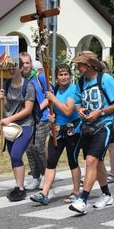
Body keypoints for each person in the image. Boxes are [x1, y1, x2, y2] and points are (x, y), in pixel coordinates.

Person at [68, 51, 114, 215]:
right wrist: (80, 109)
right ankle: (106, 194)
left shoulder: (105, 79)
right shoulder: (80, 82)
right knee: (97, 162)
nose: (78, 68)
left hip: (104, 125)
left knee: (91, 161)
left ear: (90, 65)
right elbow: (77, 102)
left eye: (80, 65)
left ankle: (82, 200)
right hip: (87, 127)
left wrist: (101, 112)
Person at [30, 64, 81, 205]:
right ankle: (44, 194)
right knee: (51, 162)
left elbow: (68, 111)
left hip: (73, 131)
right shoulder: (56, 89)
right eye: (61, 75)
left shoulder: (74, 89)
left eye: (66, 74)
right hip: (56, 131)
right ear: (56, 77)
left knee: (73, 161)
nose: (63, 77)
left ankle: (76, 192)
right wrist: (52, 117)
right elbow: (55, 111)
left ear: (70, 76)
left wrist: (53, 99)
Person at [0, 56, 36, 201]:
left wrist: (9, 119)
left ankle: (21, 189)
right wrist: (3, 99)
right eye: (9, 67)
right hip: (10, 128)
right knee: (13, 158)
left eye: (14, 67)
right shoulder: (6, 84)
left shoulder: (29, 86)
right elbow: (7, 108)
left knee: (16, 154)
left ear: (21, 68)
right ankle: (18, 186)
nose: (11, 70)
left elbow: (28, 110)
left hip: (25, 125)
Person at [20, 55, 49, 191]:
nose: (25, 65)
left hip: (42, 117)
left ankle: (46, 175)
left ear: (31, 64)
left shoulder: (39, 77)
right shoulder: (20, 80)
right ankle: (35, 177)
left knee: (38, 147)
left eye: (27, 62)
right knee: (29, 148)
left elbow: (50, 95)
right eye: (22, 63)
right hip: (28, 120)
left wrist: (39, 108)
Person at [100, 61, 114, 184]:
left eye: (103, 70)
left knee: (111, 146)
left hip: (111, 116)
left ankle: (112, 172)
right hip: (98, 118)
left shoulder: (109, 80)